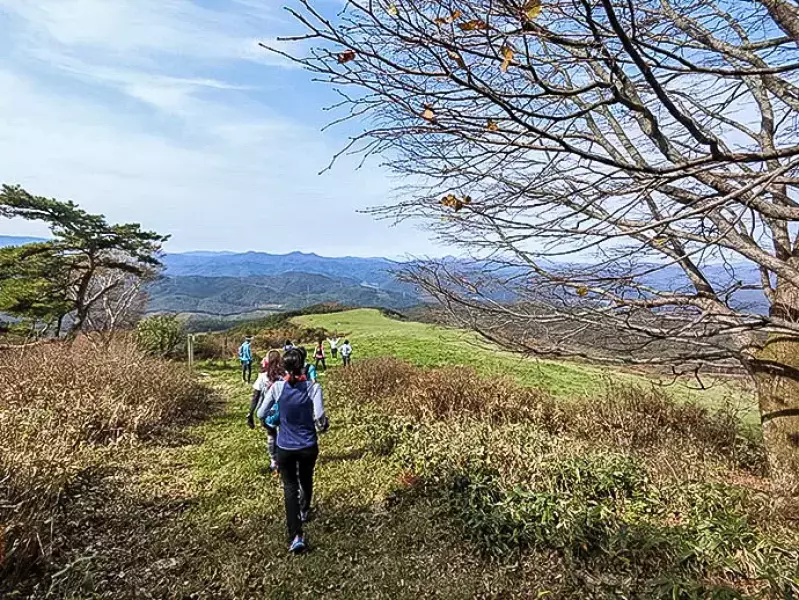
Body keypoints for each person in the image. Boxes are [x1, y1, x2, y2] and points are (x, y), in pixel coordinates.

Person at [257, 348, 329, 554]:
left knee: (289, 487)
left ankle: (296, 535)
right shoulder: (313, 388)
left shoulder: (277, 388)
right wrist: (323, 425)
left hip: (284, 447)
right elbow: (319, 417)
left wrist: (273, 420)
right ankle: (305, 510)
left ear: (284, 366)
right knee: (306, 478)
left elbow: (261, 412)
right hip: (307, 445)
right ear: (303, 364)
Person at [248, 350, 284, 472]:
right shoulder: (285, 376)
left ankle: (274, 462)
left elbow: (255, 397)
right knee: (284, 435)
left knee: (271, 435)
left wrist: (250, 414)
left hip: (267, 412)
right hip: (284, 411)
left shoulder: (262, 377)